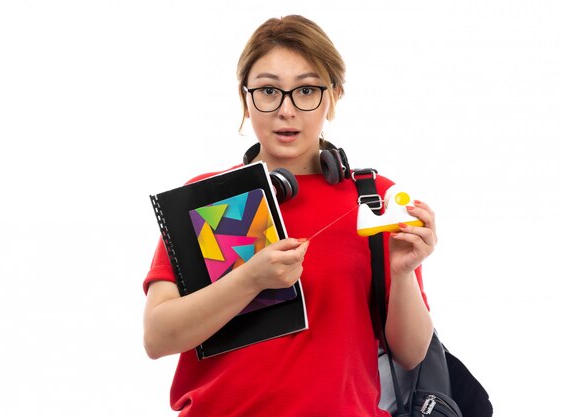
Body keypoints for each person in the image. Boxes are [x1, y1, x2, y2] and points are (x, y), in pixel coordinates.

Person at [143, 15, 436, 417]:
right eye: (268, 91)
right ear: (245, 100)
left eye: (307, 90)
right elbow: (157, 337)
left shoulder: (374, 198)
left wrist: (403, 273)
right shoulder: (211, 199)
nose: (287, 110)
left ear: (333, 97)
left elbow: (411, 353)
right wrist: (251, 280)